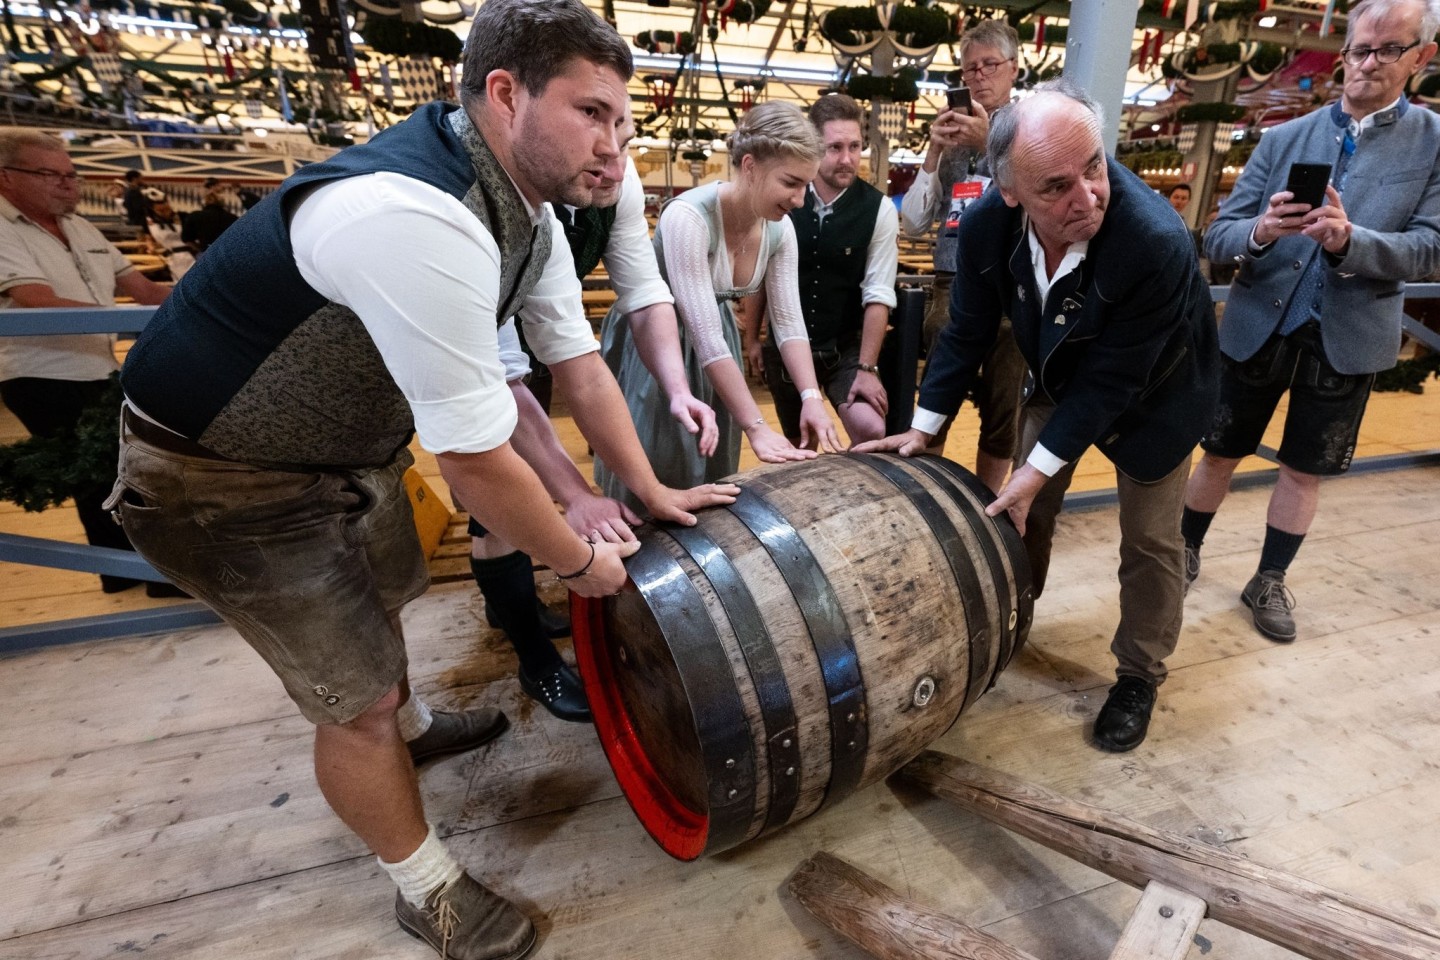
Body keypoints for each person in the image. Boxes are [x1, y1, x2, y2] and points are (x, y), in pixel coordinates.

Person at [109, 2, 736, 957]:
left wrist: (648, 489)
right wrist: (572, 562)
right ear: (503, 92)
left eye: (621, 119)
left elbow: (580, 366)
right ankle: (426, 887)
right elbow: (478, 463)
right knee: (349, 699)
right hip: (220, 474)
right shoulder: (416, 214)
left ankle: (414, 724)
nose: (614, 145)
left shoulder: (529, 214)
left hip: (345, 450)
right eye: (591, 112)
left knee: (385, 604)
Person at [856, 80, 1220, 754]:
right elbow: (966, 330)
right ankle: (1010, 623)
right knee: (1027, 512)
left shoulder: (1154, 241)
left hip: (1158, 394)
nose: (1086, 198)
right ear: (1010, 189)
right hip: (1059, 376)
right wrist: (925, 426)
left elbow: (1115, 380)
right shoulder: (989, 223)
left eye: (1094, 167)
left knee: (1150, 541)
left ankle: (1139, 673)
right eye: (1056, 186)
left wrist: (1032, 466)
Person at [1183, 0, 1440, 643]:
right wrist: (1263, 233)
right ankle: (1182, 551)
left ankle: (1268, 578)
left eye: (1387, 49)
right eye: (1358, 48)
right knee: (1219, 451)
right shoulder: (1282, 139)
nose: (1367, 63)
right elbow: (1220, 237)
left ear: (1422, 57)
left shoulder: (1434, 144)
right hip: (1256, 323)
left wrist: (1354, 242)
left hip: (1349, 333)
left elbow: (1433, 247)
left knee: (1305, 468)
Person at [469, 137, 717, 722]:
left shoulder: (610, 183)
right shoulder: (490, 205)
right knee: (495, 506)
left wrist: (678, 389)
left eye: (626, 137)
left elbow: (632, 302)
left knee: (533, 484)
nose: (614, 159)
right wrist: (576, 494)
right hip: (459, 354)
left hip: (532, 337)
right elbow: (499, 380)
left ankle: (516, 604)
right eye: (591, 123)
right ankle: (534, 659)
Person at [595, 100, 841, 508]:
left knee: (714, 469)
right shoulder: (688, 218)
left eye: (807, 186)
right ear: (750, 166)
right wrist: (757, 425)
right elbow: (703, 336)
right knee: (659, 464)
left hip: (718, 346)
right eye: (790, 183)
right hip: (659, 341)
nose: (800, 199)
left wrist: (811, 397)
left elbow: (789, 323)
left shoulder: (780, 229)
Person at [0, 130, 172, 595]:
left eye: (71, 175)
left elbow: (146, 291)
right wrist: (127, 317)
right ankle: (142, 574)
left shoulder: (82, 226)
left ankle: (127, 576)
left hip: (100, 367)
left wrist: (215, 284)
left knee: (122, 470)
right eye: (49, 174)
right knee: (101, 475)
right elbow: (34, 299)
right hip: (40, 371)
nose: (66, 184)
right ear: (7, 178)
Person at [899, 19, 1029, 492]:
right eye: (968, 68)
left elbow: (1032, 194)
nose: (977, 77)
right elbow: (913, 222)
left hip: (1013, 284)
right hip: (951, 282)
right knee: (937, 394)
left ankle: (990, 503)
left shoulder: (1029, 130)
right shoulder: (950, 140)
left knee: (1003, 406)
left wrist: (988, 142)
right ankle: (932, 496)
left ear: (1013, 69)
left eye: (988, 66)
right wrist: (933, 150)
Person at [744, 93, 897, 446]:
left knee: (871, 427)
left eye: (855, 146)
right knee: (803, 442)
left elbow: (878, 294)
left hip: (845, 347)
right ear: (813, 146)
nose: (847, 159)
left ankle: (864, 497)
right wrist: (753, 339)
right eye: (835, 148)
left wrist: (867, 368)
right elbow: (759, 276)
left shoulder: (879, 209)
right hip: (784, 345)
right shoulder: (782, 196)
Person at [141, 188, 196, 281]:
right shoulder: (148, 222)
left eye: (165, 203)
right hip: (173, 259)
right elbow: (148, 238)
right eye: (160, 209)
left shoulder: (183, 216)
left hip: (191, 256)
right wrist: (150, 247)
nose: (164, 208)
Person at [181, 187, 239, 254]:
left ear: (205, 201)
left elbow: (186, 239)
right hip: (227, 255)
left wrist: (201, 249)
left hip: (205, 254)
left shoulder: (195, 216)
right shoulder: (232, 218)